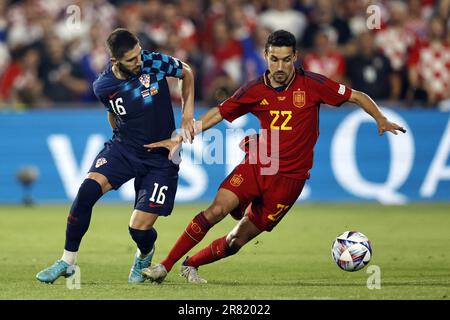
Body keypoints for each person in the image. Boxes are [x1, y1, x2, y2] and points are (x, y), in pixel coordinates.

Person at [141, 29, 406, 284]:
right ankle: (165, 265)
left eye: (286, 60)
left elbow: (356, 96)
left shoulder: (313, 85)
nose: (280, 66)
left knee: (236, 241)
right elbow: (219, 113)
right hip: (260, 164)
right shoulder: (254, 90)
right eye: (274, 59)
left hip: (290, 181)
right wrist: (184, 134)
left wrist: (381, 119)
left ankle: (191, 264)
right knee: (215, 210)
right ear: (266, 56)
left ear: (295, 57)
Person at [35, 28, 195, 284]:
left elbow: (186, 71)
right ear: (115, 61)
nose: (139, 62)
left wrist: (187, 116)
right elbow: (113, 111)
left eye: (139, 54)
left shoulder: (153, 62)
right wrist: (120, 140)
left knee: (138, 229)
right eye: (132, 59)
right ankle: (67, 260)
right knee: (86, 192)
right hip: (124, 149)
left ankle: (145, 253)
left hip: (161, 157)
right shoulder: (103, 86)